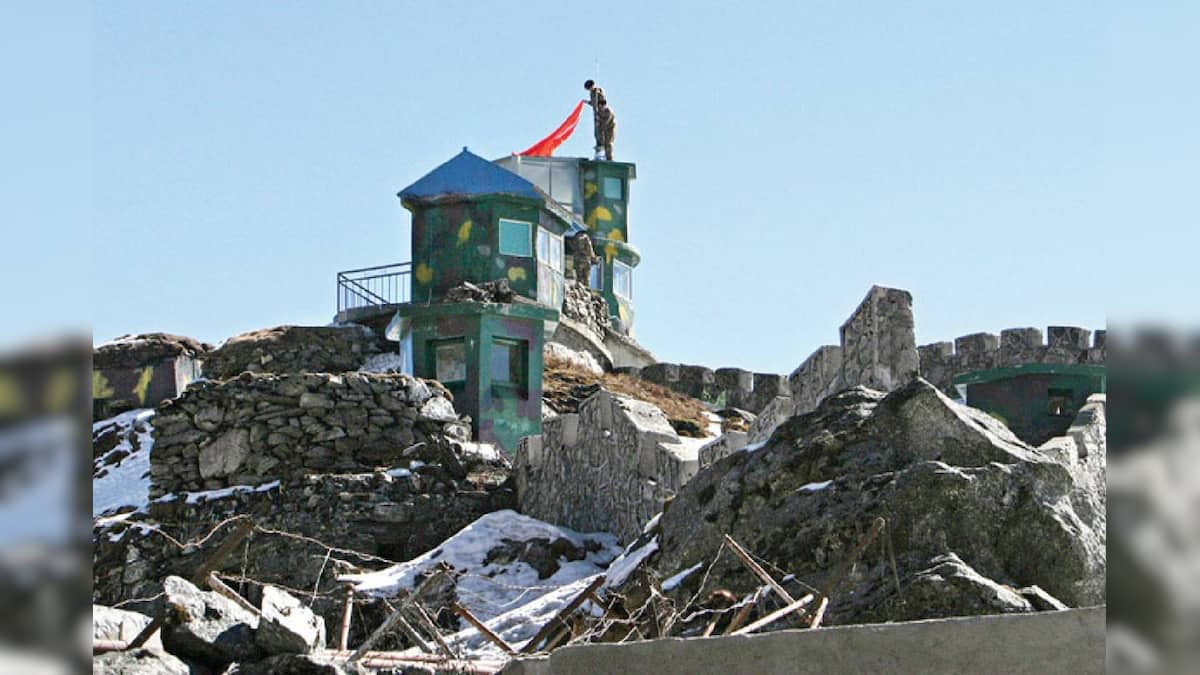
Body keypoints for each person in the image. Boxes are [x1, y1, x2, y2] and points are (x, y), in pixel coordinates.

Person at [584, 80, 617, 161]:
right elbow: (594, 103)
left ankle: (609, 159)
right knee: (598, 136)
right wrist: (588, 102)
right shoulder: (592, 94)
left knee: (608, 142)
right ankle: (599, 154)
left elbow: (607, 121)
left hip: (607, 124)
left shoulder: (598, 92)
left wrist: (600, 124)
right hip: (598, 117)